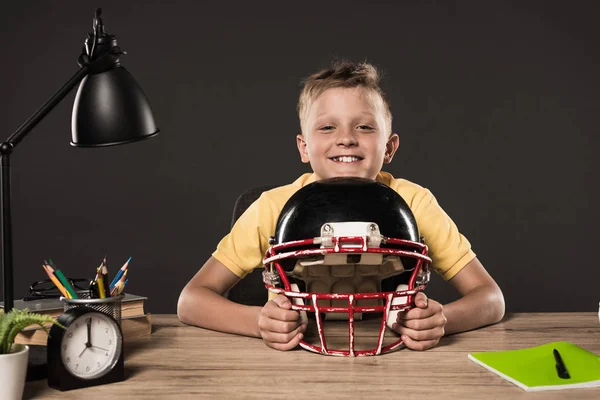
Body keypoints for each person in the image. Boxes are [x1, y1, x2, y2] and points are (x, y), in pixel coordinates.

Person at [177, 59, 505, 352]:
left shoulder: (414, 203)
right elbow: (191, 301)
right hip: (289, 362)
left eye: (364, 126)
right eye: (327, 126)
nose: (346, 138)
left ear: (389, 147)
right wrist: (259, 322)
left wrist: (441, 320)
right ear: (304, 147)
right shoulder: (272, 207)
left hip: (395, 359)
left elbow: (490, 299)